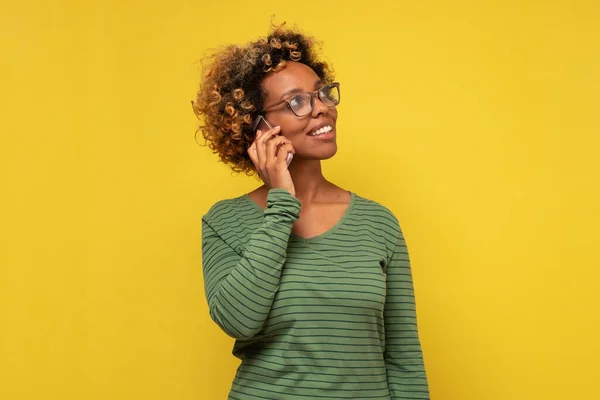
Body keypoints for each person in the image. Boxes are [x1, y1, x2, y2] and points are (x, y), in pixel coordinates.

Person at [192, 24, 430, 400]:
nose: (322, 107)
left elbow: (402, 355)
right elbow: (239, 320)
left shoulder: (378, 223)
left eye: (322, 94)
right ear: (258, 127)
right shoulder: (226, 222)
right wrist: (281, 204)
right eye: (297, 102)